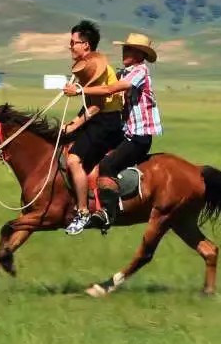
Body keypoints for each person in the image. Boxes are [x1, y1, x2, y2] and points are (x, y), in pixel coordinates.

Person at [63, 31, 162, 232]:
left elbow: (110, 90)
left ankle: (107, 213)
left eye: (131, 50)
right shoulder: (123, 72)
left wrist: (80, 91)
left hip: (139, 136)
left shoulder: (140, 72)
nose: (125, 52)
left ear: (141, 55)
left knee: (108, 166)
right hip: (126, 132)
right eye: (125, 48)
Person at [59, 20, 125, 233]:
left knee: (73, 160)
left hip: (106, 121)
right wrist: (74, 122)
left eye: (74, 42)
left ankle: (82, 212)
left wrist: (74, 125)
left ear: (85, 45)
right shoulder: (90, 64)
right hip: (102, 118)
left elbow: (96, 106)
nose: (71, 46)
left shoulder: (94, 67)